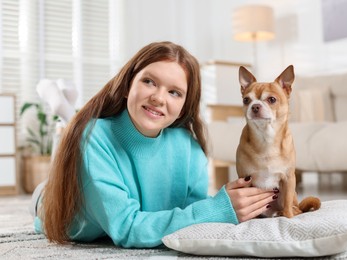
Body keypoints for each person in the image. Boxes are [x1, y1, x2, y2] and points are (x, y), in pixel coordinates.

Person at [30, 41, 278, 248]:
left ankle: (65, 107)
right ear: (128, 85)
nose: (158, 98)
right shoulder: (94, 137)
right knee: (72, 131)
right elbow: (126, 228)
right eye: (149, 81)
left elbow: (191, 218)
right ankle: (63, 109)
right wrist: (217, 209)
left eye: (174, 92)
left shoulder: (189, 148)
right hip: (50, 200)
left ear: (183, 107)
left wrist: (230, 206)